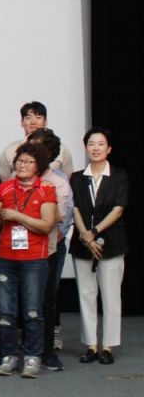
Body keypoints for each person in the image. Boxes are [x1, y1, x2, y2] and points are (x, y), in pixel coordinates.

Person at [0, 143, 57, 378]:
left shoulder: (46, 189)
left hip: (34, 259)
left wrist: (17, 216)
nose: (22, 165)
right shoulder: (5, 187)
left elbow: (47, 225)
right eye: (20, 161)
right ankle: (8, 356)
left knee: (32, 311)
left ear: (38, 166)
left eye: (29, 162)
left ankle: (33, 357)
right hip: (5, 257)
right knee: (5, 312)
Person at [70, 127, 128, 366]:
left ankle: (108, 346)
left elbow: (118, 209)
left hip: (112, 243)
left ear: (109, 148)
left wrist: (94, 232)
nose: (95, 148)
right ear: (86, 148)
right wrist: (85, 235)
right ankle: (91, 345)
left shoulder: (119, 176)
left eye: (100, 144)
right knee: (86, 294)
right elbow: (74, 208)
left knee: (111, 296)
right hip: (82, 243)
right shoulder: (76, 178)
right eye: (91, 144)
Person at [26, 128, 71, 371]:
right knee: (23, 300)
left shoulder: (58, 182)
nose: (33, 153)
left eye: (39, 148)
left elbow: (60, 221)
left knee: (46, 300)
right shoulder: (17, 177)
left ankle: (47, 352)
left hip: (49, 249)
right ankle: (23, 349)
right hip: (19, 250)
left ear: (49, 154)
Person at [0, 101, 75, 179]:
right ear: (22, 122)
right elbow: (4, 179)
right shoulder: (10, 150)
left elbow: (67, 177)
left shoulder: (61, 150)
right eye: (28, 118)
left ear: (45, 122)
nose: (33, 122)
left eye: (38, 117)